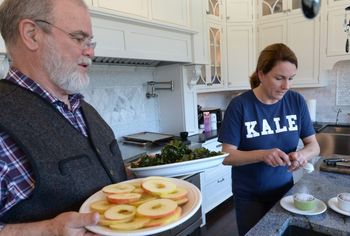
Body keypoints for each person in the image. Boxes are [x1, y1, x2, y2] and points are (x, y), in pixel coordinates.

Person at [0, 0, 127, 235]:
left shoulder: (84, 109)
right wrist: (48, 230)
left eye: (90, 42)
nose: (90, 52)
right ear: (31, 35)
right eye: (79, 39)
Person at [218, 43, 320, 236]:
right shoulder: (240, 106)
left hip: (285, 192)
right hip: (249, 196)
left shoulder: (296, 101)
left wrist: (301, 155)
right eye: (279, 78)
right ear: (261, 75)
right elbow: (226, 155)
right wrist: (263, 155)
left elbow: (314, 145)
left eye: (291, 79)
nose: (286, 86)